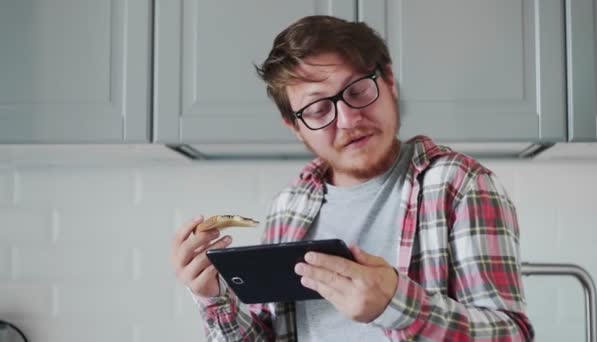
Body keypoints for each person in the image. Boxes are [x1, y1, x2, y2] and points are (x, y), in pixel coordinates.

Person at [170, 15, 534, 341]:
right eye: (318, 109)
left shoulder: (461, 185)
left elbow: (511, 335)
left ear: (388, 80)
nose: (348, 119)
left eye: (358, 91)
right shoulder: (289, 206)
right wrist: (213, 297)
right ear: (296, 127)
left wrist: (396, 304)